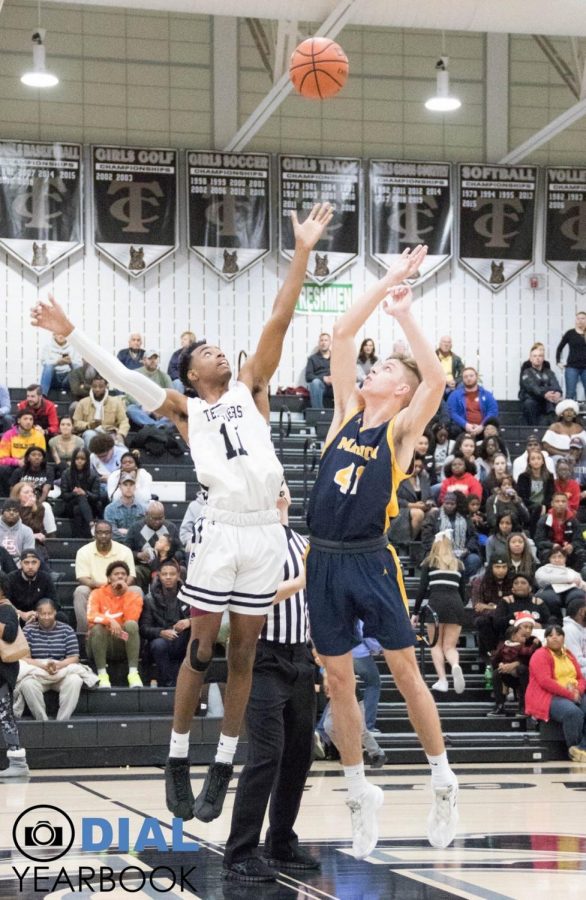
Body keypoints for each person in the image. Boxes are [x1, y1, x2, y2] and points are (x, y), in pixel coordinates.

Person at [31, 201, 333, 824]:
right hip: (220, 529)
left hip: (264, 533)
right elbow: (116, 374)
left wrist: (302, 250)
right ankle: (175, 756)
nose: (223, 354)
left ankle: (222, 761)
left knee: (245, 654)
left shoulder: (252, 388)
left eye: (225, 349)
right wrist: (69, 334)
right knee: (201, 649)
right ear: (192, 374)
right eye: (210, 352)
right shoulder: (184, 410)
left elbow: (281, 314)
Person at [304, 244, 459, 860]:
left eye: (388, 370)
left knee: (402, 669)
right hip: (323, 559)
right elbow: (342, 332)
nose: (374, 370)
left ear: (399, 390)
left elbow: (438, 378)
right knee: (337, 680)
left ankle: (443, 778)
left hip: (371, 557)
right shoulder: (344, 414)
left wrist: (405, 318)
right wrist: (387, 280)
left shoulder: (399, 431)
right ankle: (357, 793)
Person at [222, 481, 319, 883]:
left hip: (301, 656)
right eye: (270, 486)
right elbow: (247, 598)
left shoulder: (304, 543)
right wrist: (298, 583)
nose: (278, 491)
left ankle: (281, 840)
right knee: (266, 755)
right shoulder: (249, 540)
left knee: (301, 754)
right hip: (262, 657)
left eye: (282, 486)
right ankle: (240, 852)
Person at [412, 531, 467, 694]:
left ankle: (443, 680)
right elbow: (464, 593)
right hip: (456, 604)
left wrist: (415, 613)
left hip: (436, 604)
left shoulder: (430, 562)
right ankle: (455, 665)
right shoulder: (459, 564)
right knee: (450, 647)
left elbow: (422, 590)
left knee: (435, 644)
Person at [525, 623, 586, 761]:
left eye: (558, 635)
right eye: (551, 635)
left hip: (574, 692)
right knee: (573, 713)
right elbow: (545, 681)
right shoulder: (539, 655)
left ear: (564, 638)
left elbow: (580, 678)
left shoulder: (569, 655)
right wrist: (570, 694)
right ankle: (574, 748)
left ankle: (583, 747)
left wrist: (579, 691)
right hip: (548, 695)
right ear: (546, 639)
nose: (555, 638)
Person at [16, 598, 85, 721]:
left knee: (75, 680)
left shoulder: (66, 630)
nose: (46, 617)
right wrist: (43, 666)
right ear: (37, 614)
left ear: (55, 613)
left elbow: (74, 657)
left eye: (50, 613)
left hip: (61, 671)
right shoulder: (28, 630)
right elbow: (24, 658)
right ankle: (42, 720)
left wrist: (58, 666)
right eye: (43, 614)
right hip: (38, 671)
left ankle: (62, 721)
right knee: (27, 684)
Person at [73, 521, 138, 634]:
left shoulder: (125, 551)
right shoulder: (83, 551)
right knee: (80, 591)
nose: (103, 535)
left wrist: (120, 585)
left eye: (107, 533)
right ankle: (85, 633)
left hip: (119, 589)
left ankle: (130, 631)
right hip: (95, 589)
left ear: (112, 534)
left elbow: (131, 576)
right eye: (100, 532)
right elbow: (82, 578)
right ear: (94, 534)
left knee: (136, 590)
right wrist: (103, 586)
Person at [87, 561, 144, 688]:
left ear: (127, 578)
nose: (120, 576)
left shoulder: (134, 597)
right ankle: (102, 675)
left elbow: (132, 619)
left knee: (131, 625)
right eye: (116, 574)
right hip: (99, 641)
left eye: (123, 574)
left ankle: (133, 673)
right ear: (109, 578)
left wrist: (125, 594)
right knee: (98, 628)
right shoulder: (97, 593)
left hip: (121, 639)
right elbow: (91, 615)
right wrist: (110, 621)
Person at [140, 559, 191, 687]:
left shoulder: (189, 595)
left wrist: (189, 621)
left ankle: (192, 683)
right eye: (164, 574)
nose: (168, 577)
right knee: (158, 645)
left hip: (183, 638)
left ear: (178, 575)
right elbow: (144, 628)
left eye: (172, 574)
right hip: (161, 640)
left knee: (197, 638)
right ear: (159, 576)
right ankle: (170, 684)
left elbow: (201, 620)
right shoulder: (149, 599)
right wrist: (161, 632)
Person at [0, 572, 30, 778]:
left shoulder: (6, 608)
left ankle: (18, 762)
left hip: (2, 672)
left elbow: (10, 633)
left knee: (4, 715)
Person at [488, 611, 541, 717]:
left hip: (528, 677)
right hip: (510, 675)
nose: (528, 630)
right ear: (516, 631)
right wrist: (501, 665)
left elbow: (533, 659)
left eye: (531, 628)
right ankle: (499, 705)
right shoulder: (506, 644)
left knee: (522, 669)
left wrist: (516, 663)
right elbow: (496, 659)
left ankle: (524, 706)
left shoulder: (534, 642)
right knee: (496, 673)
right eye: (525, 627)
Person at [421, 492, 482, 578]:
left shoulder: (464, 517)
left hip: (461, 553)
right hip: (439, 552)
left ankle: (462, 583)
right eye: (447, 503)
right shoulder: (434, 516)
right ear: (443, 503)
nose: (449, 506)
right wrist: (440, 549)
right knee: (431, 559)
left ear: (456, 505)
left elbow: (473, 536)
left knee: (474, 559)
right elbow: (426, 536)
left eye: (452, 504)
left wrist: (467, 549)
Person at [124, 501, 181, 591]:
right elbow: (125, 551)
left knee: (181, 569)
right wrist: (138, 555)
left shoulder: (171, 527)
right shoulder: (135, 528)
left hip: (167, 566)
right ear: (146, 515)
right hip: (144, 566)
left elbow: (180, 550)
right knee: (135, 571)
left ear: (164, 515)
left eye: (160, 518)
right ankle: (140, 600)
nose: (157, 522)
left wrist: (168, 556)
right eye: (153, 519)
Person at [472, 558, 513, 667]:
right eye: (497, 567)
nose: (501, 570)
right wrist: (499, 608)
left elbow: (513, 606)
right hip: (487, 618)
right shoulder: (480, 582)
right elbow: (477, 606)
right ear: (491, 568)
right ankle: (491, 653)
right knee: (483, 621)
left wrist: (491, 606)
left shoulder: (513, 581)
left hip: (507, 618)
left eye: (504, 567)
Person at [535, 492, 586, 575]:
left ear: (567, 504)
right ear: (552, 504)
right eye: (557, 501)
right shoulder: (544, 520)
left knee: (581, 552)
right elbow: (539, 540)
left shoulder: (573, 520)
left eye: (563, 501)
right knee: (544, 552)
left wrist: (572, 546)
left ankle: (575, 576)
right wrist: (552, 546)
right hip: (551, 551)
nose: (560, 504)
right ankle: (549, 576)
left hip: (568, 552)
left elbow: (580, 540)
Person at [73, 375, 129, 448]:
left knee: (120, 446)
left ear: (106, 386)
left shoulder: (115, 402)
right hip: (91, 431)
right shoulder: (83, 402)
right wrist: (89, 425)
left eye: (101, 386)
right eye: (94, 386)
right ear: (91, 387)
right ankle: (93, 458)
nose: (97, 389)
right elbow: (76, 423)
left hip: (109, 432)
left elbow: (124, 421)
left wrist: (121, 434)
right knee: (90, 435)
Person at [59, 447, 103, 539]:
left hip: (90, 506)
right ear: (73, 459)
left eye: (82, 459)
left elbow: (96, 496)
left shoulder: (93, 475)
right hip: (70, 504)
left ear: (87, 460)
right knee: (79, 498)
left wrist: (85, 493)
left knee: (78, 508)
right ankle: (91, 524)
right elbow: (64, 496)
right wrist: (75, 493)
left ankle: (77, 538)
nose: (79, 461)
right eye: (77, 458)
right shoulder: (66, 473)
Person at [0, 410, 46, 497]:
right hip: (14, 465)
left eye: (31, 419)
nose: (28, 422)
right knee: (2, 469)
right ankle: (6, 498)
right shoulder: (8, 435)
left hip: (33, 465)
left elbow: (41, 455)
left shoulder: (39, 436)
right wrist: (17, 462)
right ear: (18, 420)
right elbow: (2, 458)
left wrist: (28, 461)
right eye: (25, 419)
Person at [535, 545, 586, 622]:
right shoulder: (543, 569)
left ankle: (572, 621)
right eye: (554, 557)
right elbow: (542, 579)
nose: (557, 559)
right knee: (550, 598)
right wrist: (568, 580)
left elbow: (580, 582)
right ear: (549, 559)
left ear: (565, 559)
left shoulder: (571, 571)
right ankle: (556, 621)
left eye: (560, 557)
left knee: (578, 595)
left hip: (570, 590)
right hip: (550, 589)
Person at [5, 549, 57, 624]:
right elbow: (5, 602)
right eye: (26, 562)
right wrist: (20, 614)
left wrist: (38, 614)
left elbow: (55, 603)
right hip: (17, 616)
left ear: (39, 564)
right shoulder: (10, 578)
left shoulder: (46, 578)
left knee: (60, 616)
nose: (30, 566)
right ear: (20, 564)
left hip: (40, 616)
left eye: (34, 562)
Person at [125, 351, 173, 428]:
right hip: (142, 408)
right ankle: (157, 426)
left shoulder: (164, 376)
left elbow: (171, 396)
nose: (153, 361)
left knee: (175, 413)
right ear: (144, 360)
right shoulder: (135, 374)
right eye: (150, 358)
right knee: (131, 409)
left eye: (155, 358)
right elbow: (129, 394)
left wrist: (161, 409)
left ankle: (154, 427)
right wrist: (143, 406)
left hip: (160, 408)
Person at [446, 367, 499, 437]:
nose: (468, 378)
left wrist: (482, 426)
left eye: (471, 376)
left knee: (492, 429)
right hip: (462, 428)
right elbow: (452, 412)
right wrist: (465, 425)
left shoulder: (487, 395)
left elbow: (492, 412)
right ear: (462, 379)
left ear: (476, 377)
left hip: (483, 428)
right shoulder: (454, 395)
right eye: (465, 377)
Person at [519, 342, 562, 425]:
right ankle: (534, 429)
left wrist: (557, 392)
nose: (537, 358)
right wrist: (545, 393)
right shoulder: (526, 372)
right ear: (530, 359)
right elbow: (533, 387)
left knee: (559, 402)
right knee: (529, 403)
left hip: (548, 400)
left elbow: (555, 384)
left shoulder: (549, 372)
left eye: (540, 356)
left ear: (543, 358)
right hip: (534, 399)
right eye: (534, 356)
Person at [10, 481, 56, 557]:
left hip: (34, 541)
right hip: (14, 540)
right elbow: (13, 529)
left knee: (35, 548)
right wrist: (26, 508)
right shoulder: (11, 508)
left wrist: (27, 508)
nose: (30, 494)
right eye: (26, 492)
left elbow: (36, 527)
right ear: (18, 495)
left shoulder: (39, 507)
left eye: (32, 492)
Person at [517, 448, 555, 535]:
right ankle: (532, 534)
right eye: (533, 459)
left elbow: (550, 494)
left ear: (543, 461)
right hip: (528, 506)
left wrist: (544, 505)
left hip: (545, 506)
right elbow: (522, 497)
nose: (536, 461)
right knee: (536, 509)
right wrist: (538, 506)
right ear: (529, 462)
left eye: (538, 458)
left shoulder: (549, 476)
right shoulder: (523, 477)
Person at [104, 473, 146, 541]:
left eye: (131, 485)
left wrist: (126, 532)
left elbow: (143, 533)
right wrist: (132, 535)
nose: (128, 487)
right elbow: (111, 533)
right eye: (125, 485)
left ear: (135, 487)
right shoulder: (110, 509)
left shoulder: (143, 509)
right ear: (120, 487)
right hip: (117, 546)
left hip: (136, 547)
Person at [556, 311, 586, 400]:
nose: (580, 320)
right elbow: (559, 348)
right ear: (575, 320)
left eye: (583, 318)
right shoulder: (570, 333)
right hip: (572, 367)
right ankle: (570, 414)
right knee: (570, 393)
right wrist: (558, 362)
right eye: (578, 318)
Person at [39, 332, 80, 396]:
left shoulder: (73, 347)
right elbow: (44, 362)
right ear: (54, 335)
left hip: (68, 378)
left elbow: (79, 365)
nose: (61, 336)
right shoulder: (47, 347)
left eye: (63, 333)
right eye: (58, 333)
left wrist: (70, 362)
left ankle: (80, 394)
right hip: (54, 378)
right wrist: (57, 362)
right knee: (48, 366)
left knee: (77, 367)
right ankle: (42, 396)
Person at [0, 499, 35, 564]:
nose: (11, 513)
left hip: (19, 564)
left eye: (15, 511)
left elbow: (28, 554)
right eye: (8, 510)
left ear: (19, 514)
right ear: (2, 512)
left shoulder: (27, 531)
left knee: (36, 557)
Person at [305, 333, 332, 409]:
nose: (323, 342)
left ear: (330, 342)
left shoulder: (336, 357)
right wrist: (323, 378)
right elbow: (308, 377)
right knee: (315, 382)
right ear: (319, 343)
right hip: (321, 386)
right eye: (321, 340)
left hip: (334, 386)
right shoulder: (312, 358)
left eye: (326, 340)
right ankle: (318, 413)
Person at [563, 596, 586, 678]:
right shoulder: (569, 630)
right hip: (574, 671)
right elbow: (576, 660)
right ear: (581, 611)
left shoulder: (582, 627)